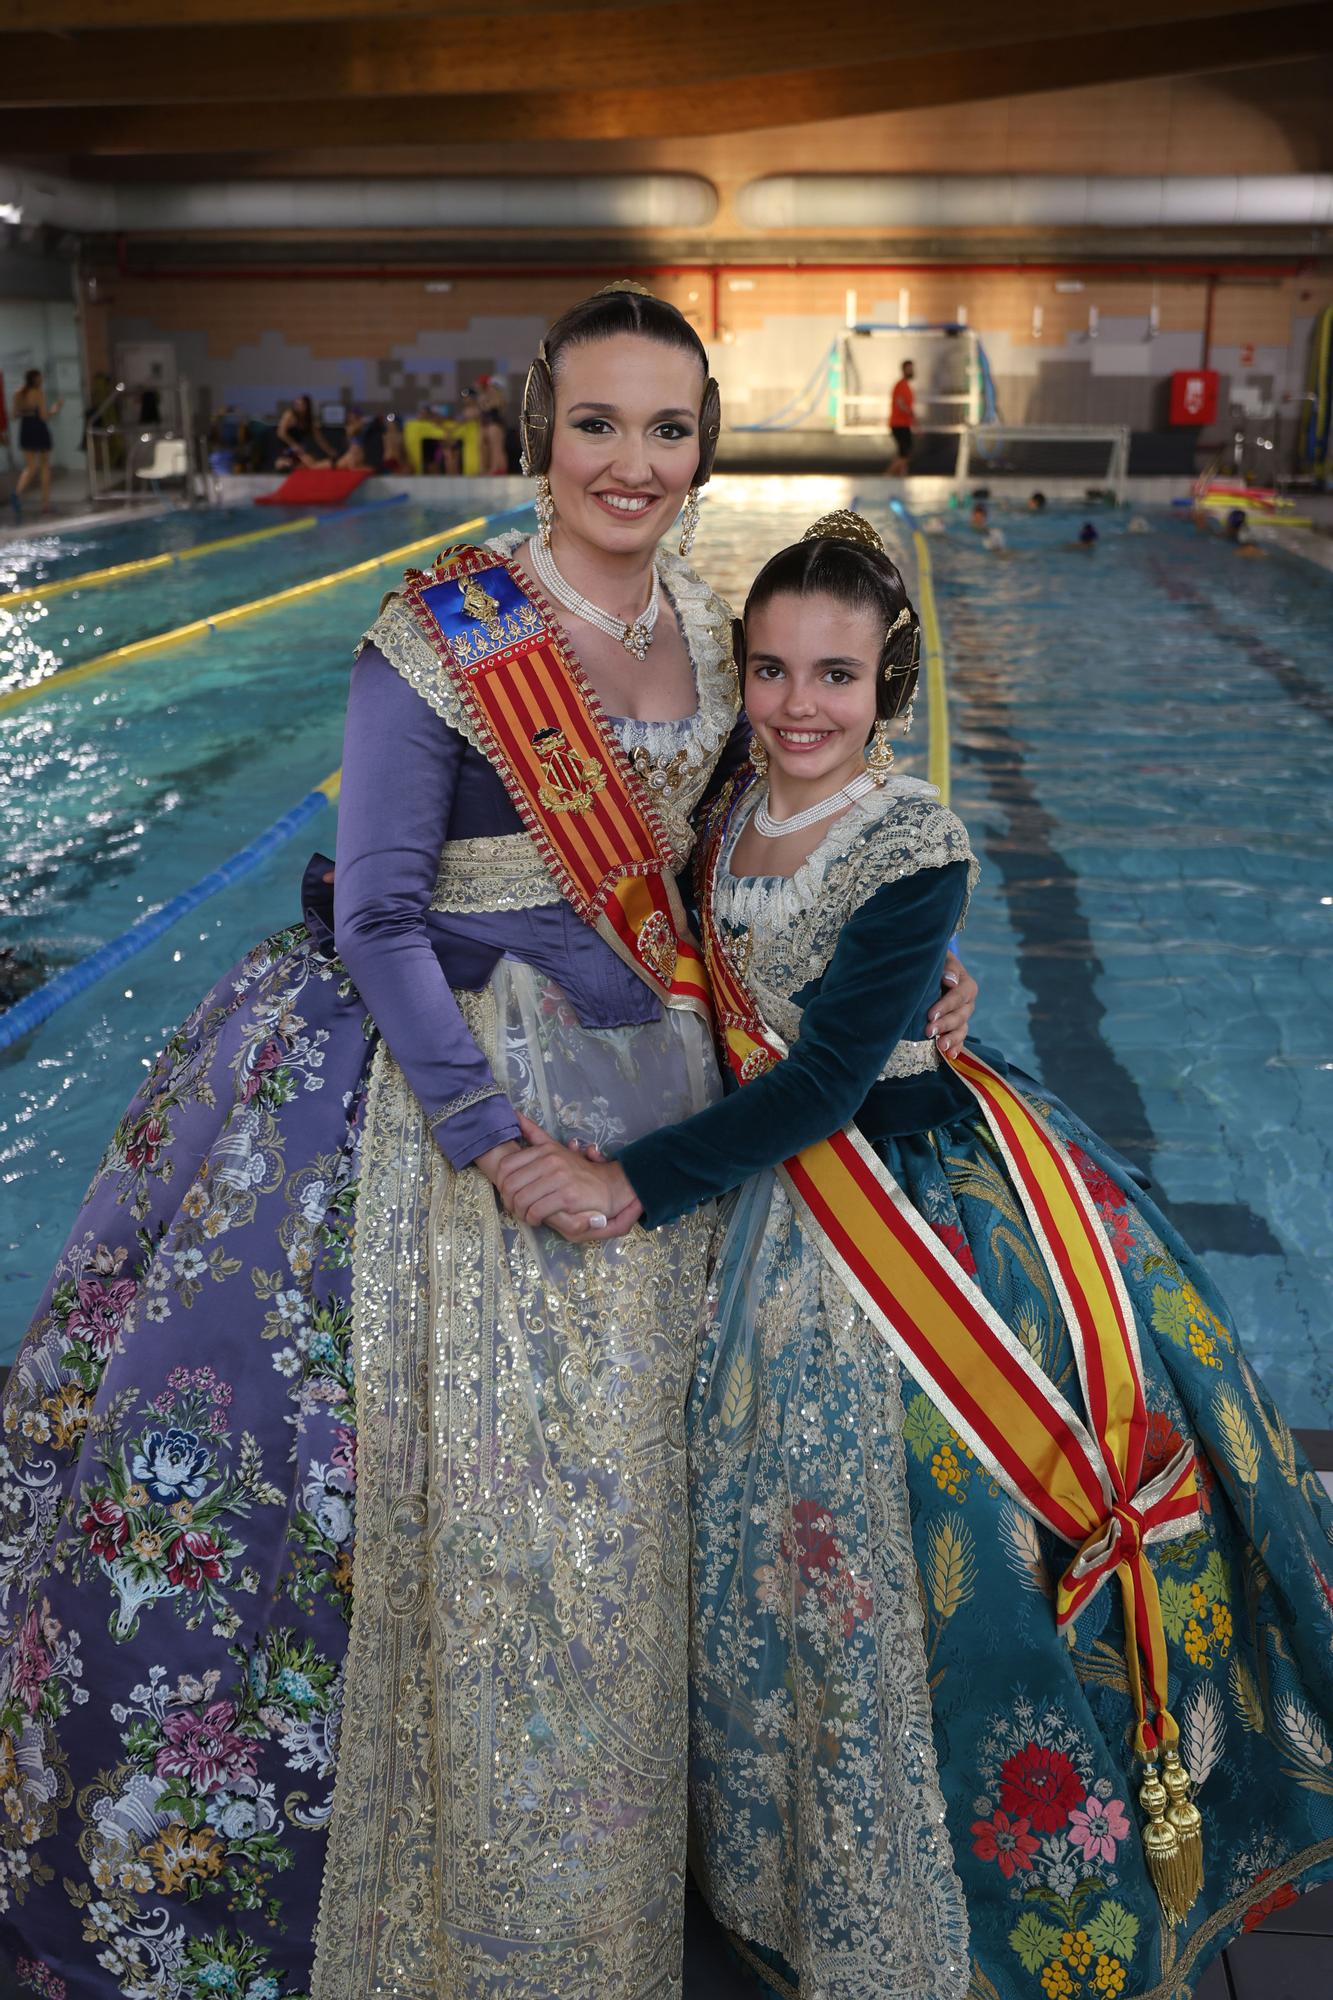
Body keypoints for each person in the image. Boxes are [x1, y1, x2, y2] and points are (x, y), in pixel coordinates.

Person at [0, 287, 981, 1998]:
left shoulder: (696, 618)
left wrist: (905, 977)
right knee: (506, 1538)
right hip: (461, 1109)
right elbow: (378, 916)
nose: (631, 461)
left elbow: (728, 870)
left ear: (702, 447)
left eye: (666, 429)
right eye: (595, 424)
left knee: (641, 1533)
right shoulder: (432, 632)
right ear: (539, 432)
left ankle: (621, 1874)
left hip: (660, 1110)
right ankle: (479, 1903)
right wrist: (483, 1131)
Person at [498, 512, 1333, 2000]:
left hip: (909, 1205)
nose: (797, 704)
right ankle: (784, 1842)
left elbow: (819, 1090)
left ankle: (968, 1872)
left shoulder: (912, 838)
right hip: (773, 1203)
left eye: (833, 674)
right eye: (767, 670)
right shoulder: (734, 794)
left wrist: (624, 1183)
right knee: (780, 1554)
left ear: (889, 679)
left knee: (923, 1555)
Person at [12, 368, 64, 517]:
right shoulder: (38, 394)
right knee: (45, 466)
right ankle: (45, 504)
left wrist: (25, 413)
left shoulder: (18, 394)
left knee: (30, 467)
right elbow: (44, 417)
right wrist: (55, 409)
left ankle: (17, 493)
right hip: (39, 430)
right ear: (37, 380)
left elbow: (14, 415)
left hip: (26, 430)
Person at [274, 392, 332, 469]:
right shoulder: (289, 415)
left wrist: (330, 451)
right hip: (287, 447)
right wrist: (294, 445)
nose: (297, 406)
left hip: (299, 450)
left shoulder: (308, 420)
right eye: (296, 404)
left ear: (306, 406)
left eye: (300, 404)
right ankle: (284, 463)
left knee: (310, 461)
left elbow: (319, 439)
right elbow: (281, 433)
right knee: (307, 461)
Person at [887, 358, 915, 476]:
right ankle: (887, 475)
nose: (912, 371)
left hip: (905, 423)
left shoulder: (906, 386)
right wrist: (909, 412)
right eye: (909, 369)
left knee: (904, 453)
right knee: (904, 454)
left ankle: (903, 475)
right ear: (904, 370)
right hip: (899, 424)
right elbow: (900, 403)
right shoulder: (900, 385)